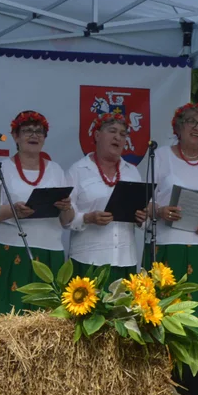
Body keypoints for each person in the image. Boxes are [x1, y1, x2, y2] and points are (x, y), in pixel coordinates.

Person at [0, 110, 73, 314]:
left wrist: (67, 207)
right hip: (10, 251)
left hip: (49, 252)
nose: (34, 135)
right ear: (15, 136)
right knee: (8, 312)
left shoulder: (56, 170)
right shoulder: (2, 168)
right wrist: (13, 211)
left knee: (46, 319)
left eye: (40, 132)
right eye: (27, 130)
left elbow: (67, 221)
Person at [153, 103, 198, 312]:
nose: (197, 127)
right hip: (170, 244)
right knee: (168, 309)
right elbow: (146, 203)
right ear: (178, 127)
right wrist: (160, 211)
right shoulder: (160, 156)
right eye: (191, 122)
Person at [66, 109, 147, 283]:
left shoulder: (132, 172)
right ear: (97, 135)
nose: (118, 137)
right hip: (88, 259)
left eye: (123, 134)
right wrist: (88, 218)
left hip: (126, 260)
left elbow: (144, 215)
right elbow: (65, 219)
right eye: (112, 131)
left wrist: (142, 218)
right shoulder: (78, 170)